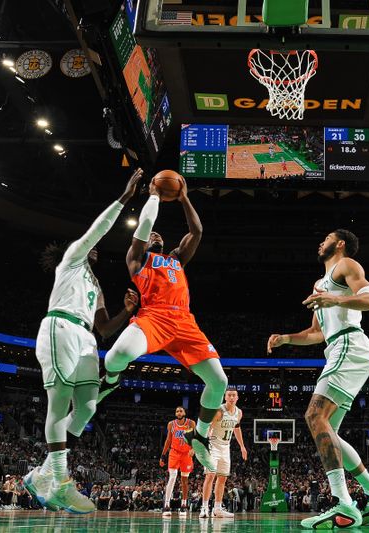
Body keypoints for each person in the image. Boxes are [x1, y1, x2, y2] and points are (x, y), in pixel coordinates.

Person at [23, 169, 143, 514]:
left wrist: (127, 311)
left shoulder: (96, 288)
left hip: (87, 339)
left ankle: (43, 474)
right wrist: (125, 197)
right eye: (94, 250)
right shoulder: (72, 260)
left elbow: (104, 329)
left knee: (88, 405)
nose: (97, 253)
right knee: (59, 400)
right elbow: (97, 230)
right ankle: (59, 481)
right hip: (60, 326)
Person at [267, 229, 369, 529]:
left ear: (339, 244)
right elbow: (316, 333)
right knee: (330, 434)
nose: (320, 242)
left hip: (350, 343)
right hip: (337, 346)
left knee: (314, 415)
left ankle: (344, 503)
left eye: (325, 238)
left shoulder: (346, 265)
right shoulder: (319, 285)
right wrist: (286, 338)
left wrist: (333, 300)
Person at [100, 175, 228, 474]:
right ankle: (110, 381)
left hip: (183, 321)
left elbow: (196, 231)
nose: (156, 234)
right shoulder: (136, 259)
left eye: (159, 234)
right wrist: (155, 196)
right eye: (151, 234)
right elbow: (144, 227)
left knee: (219, 382)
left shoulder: (176, 260)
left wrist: (183, 197)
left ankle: (200, 437)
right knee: (115, 357)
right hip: (153, 316)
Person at [199, 389, 247, 519]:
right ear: (225, 397)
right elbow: (209, 425)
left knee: (222, 478)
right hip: (213, 445)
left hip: (226, 447)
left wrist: (242, 446)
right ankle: (204, 507)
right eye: (229, 395)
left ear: (237, 397)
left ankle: (218, 508)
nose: (231, 397)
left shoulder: (239, 412)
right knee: (210, 475)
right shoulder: (219, 411)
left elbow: (237, 428)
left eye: (234, 395)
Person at [159, 406, 196, 518]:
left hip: (186, 454)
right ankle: (166, 504)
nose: (179, 412)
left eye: (181, 411)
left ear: (185, 412)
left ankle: (184, 504)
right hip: (174, 453)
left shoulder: (191, 423)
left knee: (184, 479)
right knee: (173, 476)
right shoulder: (171, 424)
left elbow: (195, 438)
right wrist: (163, 455)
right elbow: (168, 440)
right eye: (177, 411)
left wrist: (193, 448)